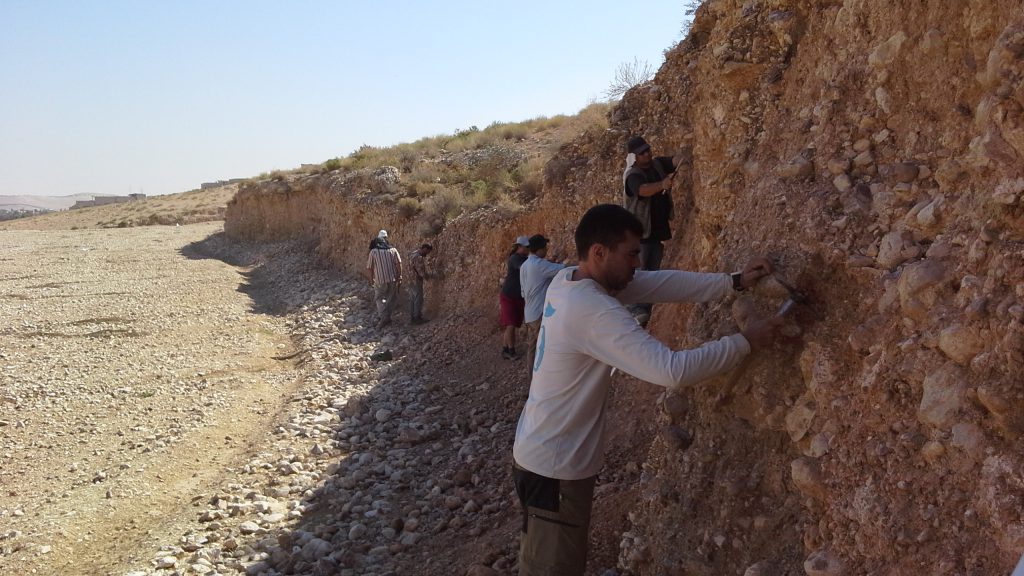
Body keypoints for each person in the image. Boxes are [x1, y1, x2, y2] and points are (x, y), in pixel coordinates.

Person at [511, 204, 781, 576]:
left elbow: (659, 283)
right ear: (599, 252)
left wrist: (731, 281)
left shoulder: (570, 280)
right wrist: (744, 342)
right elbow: (672, 370)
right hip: (555, 470)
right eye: (632, 253)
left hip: (537, 454)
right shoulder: (592, 309)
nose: (637, 263)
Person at [622, 136, 687, 324]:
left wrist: (681, 161)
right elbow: (641, 190)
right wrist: (662, 185)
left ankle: (646, 311)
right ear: (634, 157)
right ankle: (635, 310)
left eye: (648, 149)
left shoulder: (657, 164)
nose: (647, 153)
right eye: (642, 152)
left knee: (652, 272)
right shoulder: (632, 175)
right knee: (639, 273)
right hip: (640, 236)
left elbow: (673, 160)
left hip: (656, 233)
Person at [519, 234, 565, 375]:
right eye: (545, 248)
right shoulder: (538, 265)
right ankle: (539, 381)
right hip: (539, 313)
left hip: (529, 313)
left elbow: (522, 292)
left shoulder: (525, 265)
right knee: (542, 348)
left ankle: (532, 381)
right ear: (539, 249)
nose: (546, 250)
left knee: (533, 348)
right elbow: (563, 268)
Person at [500, 235, 530, 359]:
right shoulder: (515, 259)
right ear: (519, 247)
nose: (528, 249)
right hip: (509, 296)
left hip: (517, 296)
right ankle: (511, 351)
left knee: (511, 325)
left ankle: (505, 349)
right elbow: (524, 268)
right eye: (526, 247)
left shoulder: (524, 258)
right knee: (511, 324)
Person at [366, 229, 402, 328]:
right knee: (391, 298)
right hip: (392, 278)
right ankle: (387, 317)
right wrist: (400, 276)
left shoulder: (373, 252)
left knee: (379, 298)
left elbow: (370, 267)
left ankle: (384, 317)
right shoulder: (393, 250)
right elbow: (398, 264)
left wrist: (371, 279)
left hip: (379, 279)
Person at [407, 243, 433, 324]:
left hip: (409, 280)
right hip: (416, 280)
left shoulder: (412, 254)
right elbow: (421, 272)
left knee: (412, 299)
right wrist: (428, 277)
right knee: (419, 299)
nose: (427, 254)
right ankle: (417, 318)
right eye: (427, 252)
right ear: (425, 249)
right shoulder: (418, 257)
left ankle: (412, 317)